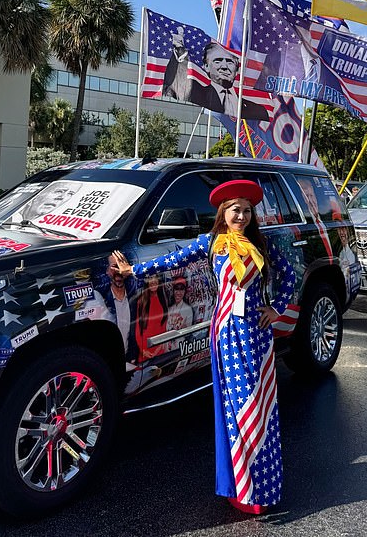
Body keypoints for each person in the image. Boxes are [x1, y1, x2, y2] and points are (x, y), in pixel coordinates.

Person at [113, 179, 295, 514]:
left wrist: (276, 308)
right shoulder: (212, 243)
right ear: (223, 213)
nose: (241, 215)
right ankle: (242, 488)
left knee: (260, 406)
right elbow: (173, 260)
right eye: (234, 210)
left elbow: (289, 275)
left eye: (247, 210)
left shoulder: (262, 244)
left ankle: (263, 486)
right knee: (236, 407)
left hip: (257, 334)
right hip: (226, 333)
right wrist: (132, 270)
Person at [163, 34, 269, 121]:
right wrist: (178, 51)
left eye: (230, 62)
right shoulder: (197, 92)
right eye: (217, 61)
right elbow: (174, 80)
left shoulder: (257, 110)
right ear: (206, 67)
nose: (224, 66)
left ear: (237, 69)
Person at [133, 274, 169, 362]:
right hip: (146, 350)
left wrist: (161, 345)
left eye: (155, 277)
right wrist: (143, 350)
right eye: (149, 278)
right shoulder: (142, 301)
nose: (153, 281)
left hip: (159, 348)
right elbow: (138, 328)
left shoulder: (163, 299)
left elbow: (163, 325)